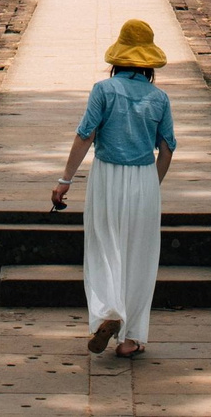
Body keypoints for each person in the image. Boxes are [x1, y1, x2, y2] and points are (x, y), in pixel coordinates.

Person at [51, 18, 174, 356]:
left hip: (107, 175)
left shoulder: (103, 90)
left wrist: (65, 181)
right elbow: (167, 148)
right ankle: (132, 338)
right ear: (149, 63)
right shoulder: (159, 98)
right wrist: (152, 185)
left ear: (117, 59)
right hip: (144, 178)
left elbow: (85, 135)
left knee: (104, 247)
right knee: (140, 255)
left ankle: (108, 312)